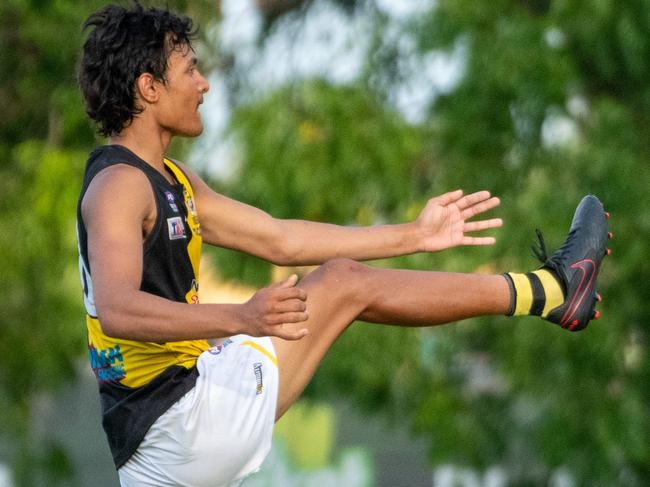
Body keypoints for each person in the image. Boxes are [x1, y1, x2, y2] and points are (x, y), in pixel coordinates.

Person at [76, 2, 610, 486]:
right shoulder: (120, 186)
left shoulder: (172, 179)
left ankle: (551, 293)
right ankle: (549, 292)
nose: (205, 83)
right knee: (343, 283)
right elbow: (119, 310)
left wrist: (414, 235)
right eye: (189, 69)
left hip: (161, 441)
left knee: (340, 281)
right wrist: (243, 317)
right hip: (177, 424)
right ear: (149, 88)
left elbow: (281, 238)